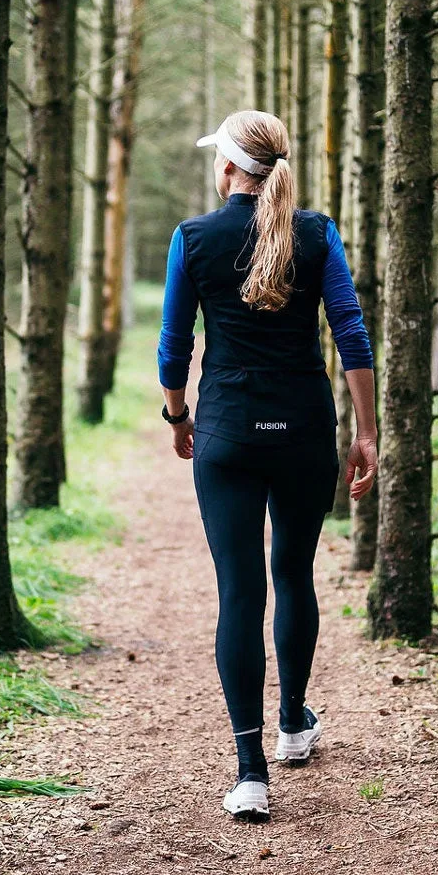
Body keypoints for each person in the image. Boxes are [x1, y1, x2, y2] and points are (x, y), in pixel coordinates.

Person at [158, 110, 378, 821]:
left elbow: (174, 344)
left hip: (226, 433)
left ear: (226, 168)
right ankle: (292, 726)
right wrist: (366, 430)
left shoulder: (194, 238)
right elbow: (350, 330)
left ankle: (250, 771)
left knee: (240, 591)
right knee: (293, 573)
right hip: (304, 430)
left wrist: (179, 415)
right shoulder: (317, 233)